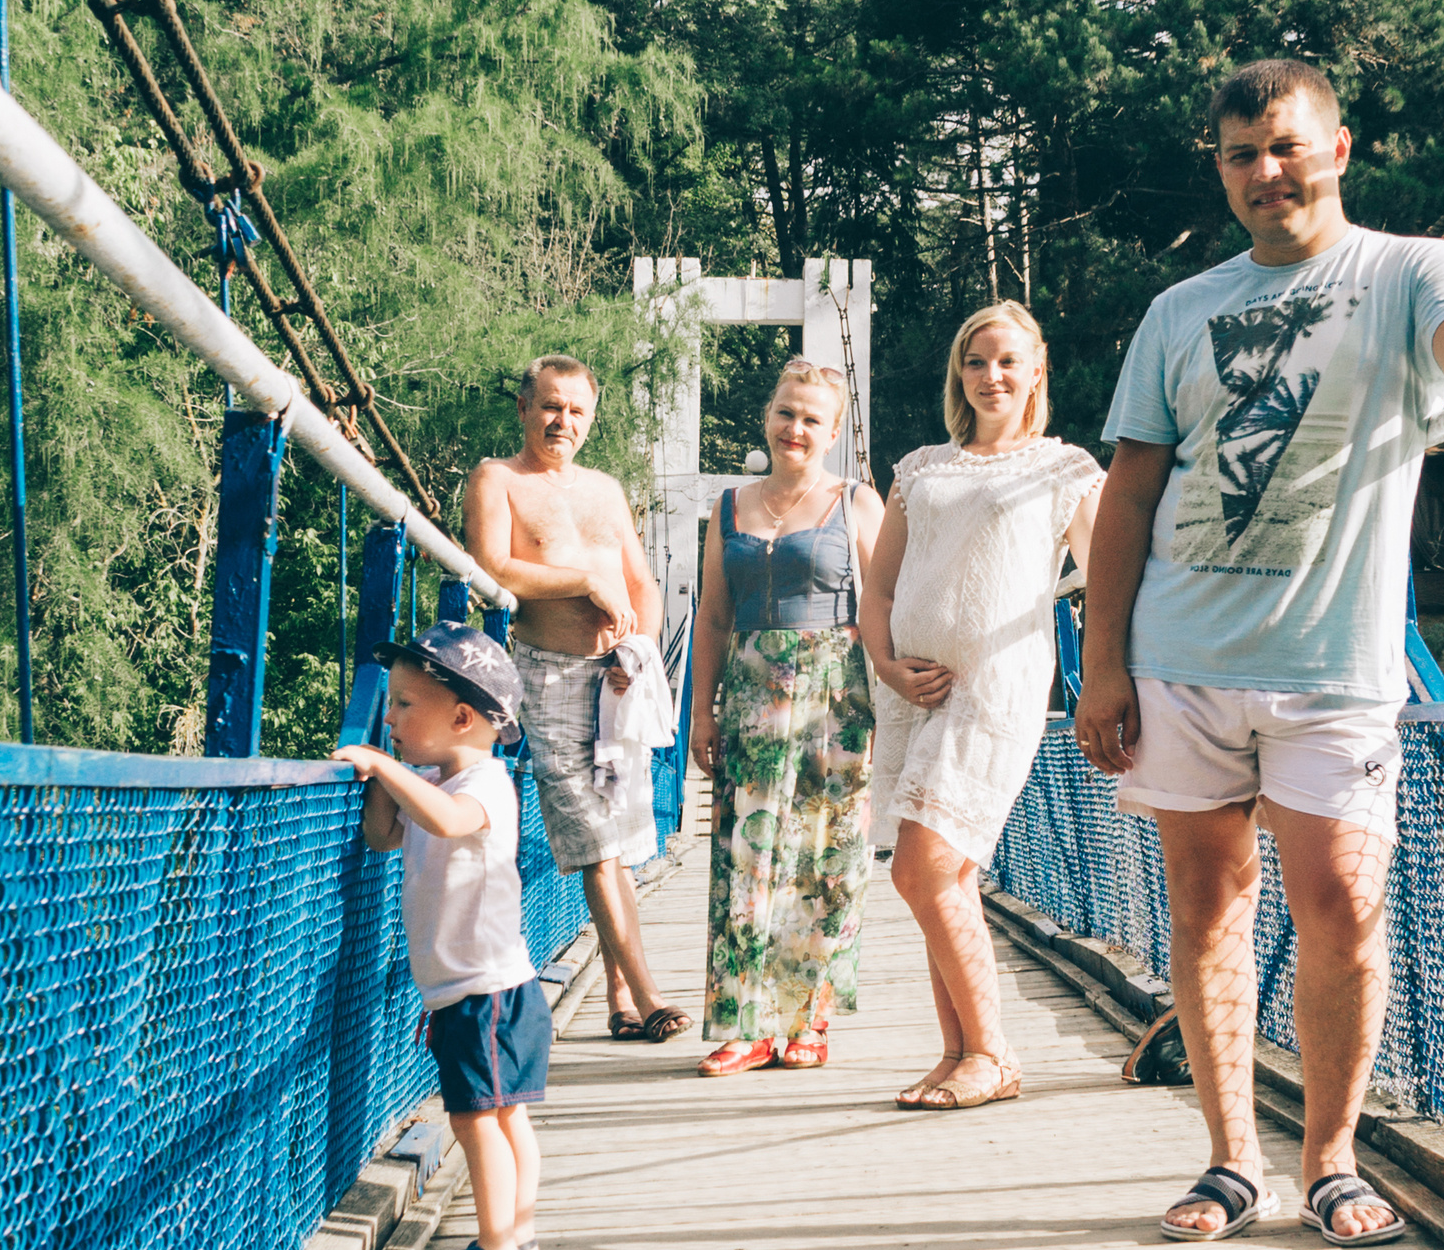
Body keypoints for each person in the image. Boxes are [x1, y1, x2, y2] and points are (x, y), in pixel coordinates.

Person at [1077, 58, 1444, 1248]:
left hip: (1332, 661)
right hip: (1182, 653)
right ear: (1220, 169)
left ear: (1337, 149)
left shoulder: (1407, 270)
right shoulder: (1178, 312)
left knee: (1343, 904)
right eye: (1241, 155)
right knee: (1206, 910)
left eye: (1286, 146)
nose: (1266, 171)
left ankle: (1332, 1162)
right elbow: (1128, 493)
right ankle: (1230, 1160)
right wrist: (1101, 664)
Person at [859, 303, 1103, 1112]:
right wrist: (888, 667)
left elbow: (1110, 582)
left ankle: (993, 1054)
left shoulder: (1063, 469)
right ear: (958, 373)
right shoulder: (920, 469)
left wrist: (1118, 681)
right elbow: (879, 591)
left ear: (1036, 371)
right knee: (945, 876)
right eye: (975, 361)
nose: (990, 376)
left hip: (995, 690)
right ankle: (958, 1052)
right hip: (911, 695)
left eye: (1007, 361)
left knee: (923, 868)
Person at [465, 355, 690, 1045]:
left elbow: (642, 584)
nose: (563, 420)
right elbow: (491, 567)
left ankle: (619, 998)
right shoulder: (497, 479)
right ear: (524, 408)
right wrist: (583, 583)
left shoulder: (605, 489)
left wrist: (637, 649)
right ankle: (649, 996)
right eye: (550, 405)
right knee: (596, 841)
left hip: (618, 679)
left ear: (590, 418)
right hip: (550, 677)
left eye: (576, 410)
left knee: (618, 837)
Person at [686, 358, 885, 1076]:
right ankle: (745, 1024)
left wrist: (902, 689)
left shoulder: (855, 502)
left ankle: (808, 1019)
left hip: (835, 700)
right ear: (768, 417)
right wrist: (701, 714)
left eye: (811, 419)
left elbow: (886, 606)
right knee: (747, 854)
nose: (795, 428)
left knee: (825, 857)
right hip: (749, 698)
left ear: (832, 432)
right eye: (785, 413)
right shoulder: (729, 507)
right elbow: (713, 617)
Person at [336, 623, 546, 1250]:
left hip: (486, 991)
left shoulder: (487, 783)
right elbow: (381, 836)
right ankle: (517, 1241)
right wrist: (387, 775)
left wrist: (387, 768)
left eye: (403, 704)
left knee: (476, 1118)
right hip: (478, 989)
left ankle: (498, 1248)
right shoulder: (431, 779)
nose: (390, 717)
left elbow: (450, 821)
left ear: (460, 718)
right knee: (503, 1115)